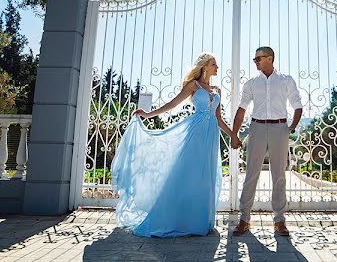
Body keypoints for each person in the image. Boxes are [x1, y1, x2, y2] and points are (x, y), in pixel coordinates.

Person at [111, 53, 237, 237]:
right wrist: (148, 114)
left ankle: (201, 221)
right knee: (189, 174)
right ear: (204, 67)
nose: (217, 67)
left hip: (210, 136)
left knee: (205, 178)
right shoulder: (193, 86)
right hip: (194, 133)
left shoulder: (217, 90)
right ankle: (181, 220)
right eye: (213, 64)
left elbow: (218, 119)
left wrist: (233, 135)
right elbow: (171, 104)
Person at [230, 46, 303, 237]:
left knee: (279, 175)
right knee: (251, 174)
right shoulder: (251, 83)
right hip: (257, 128)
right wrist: (234, 134)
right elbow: (241, 110)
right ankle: (244, 219)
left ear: (270, 59)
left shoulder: (286, 80)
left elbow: (297, 106)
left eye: (258, 59)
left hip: (280, 128)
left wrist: (290, 129)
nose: (255, 62)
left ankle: (279, 221)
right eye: (254, 59)